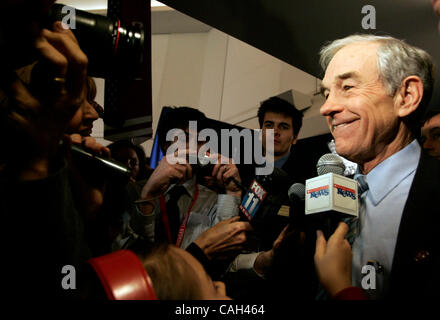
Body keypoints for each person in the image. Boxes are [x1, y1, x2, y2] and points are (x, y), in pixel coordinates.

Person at [316, 34, 438, 299]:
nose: (326, 107)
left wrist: (342, 292)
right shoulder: (335, 188)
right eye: (326, 93)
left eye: (347, 87)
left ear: (406, 96)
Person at [129, 107, 244, 254]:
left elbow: (224, 252)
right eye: (186, 138)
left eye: (201, 141)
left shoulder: (213, 200)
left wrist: (232, 192)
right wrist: (148, 195)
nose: (194, 147)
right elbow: (122, 249)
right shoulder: (135, 191)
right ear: (166, 144)